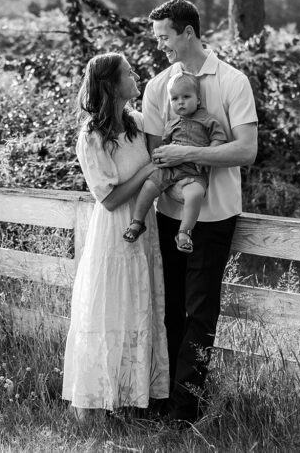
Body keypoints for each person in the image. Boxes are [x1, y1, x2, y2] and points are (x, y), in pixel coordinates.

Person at [141, 0, 258, 424]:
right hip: (168, 212)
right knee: (169, 308)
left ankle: (186, 410)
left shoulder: (233, 81)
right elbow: (155, 154)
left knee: (200, 310)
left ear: (187, 32)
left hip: (215, 215)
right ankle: (162, 397)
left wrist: (188, 153)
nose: (160, 46)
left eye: (164, 37)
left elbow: (246, 150)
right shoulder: (158, 87)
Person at [62, 52, 170, 419]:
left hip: (145, 226)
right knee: (112, 310)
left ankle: (135, 400)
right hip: (114, 231)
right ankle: (102, 400)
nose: (135, 75)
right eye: (127, 72)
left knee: (140, 306)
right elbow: (107, 199)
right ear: (110, 84)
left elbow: (161, 161)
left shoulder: (138, 123)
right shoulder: (91, 137)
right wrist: (146, 171)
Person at [124, 71, 227, 254]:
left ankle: (184, 233)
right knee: (148, 186)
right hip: (169, 169)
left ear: (198, 100)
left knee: (195, 194)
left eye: (186, 97)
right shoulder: (170, 124)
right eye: (175, 98)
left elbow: (219, 139)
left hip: (194, 171)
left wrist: (208, 154)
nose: (180, 102)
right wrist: (159, 156)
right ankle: (137, 222)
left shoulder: (208, 120)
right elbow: (163, 145)